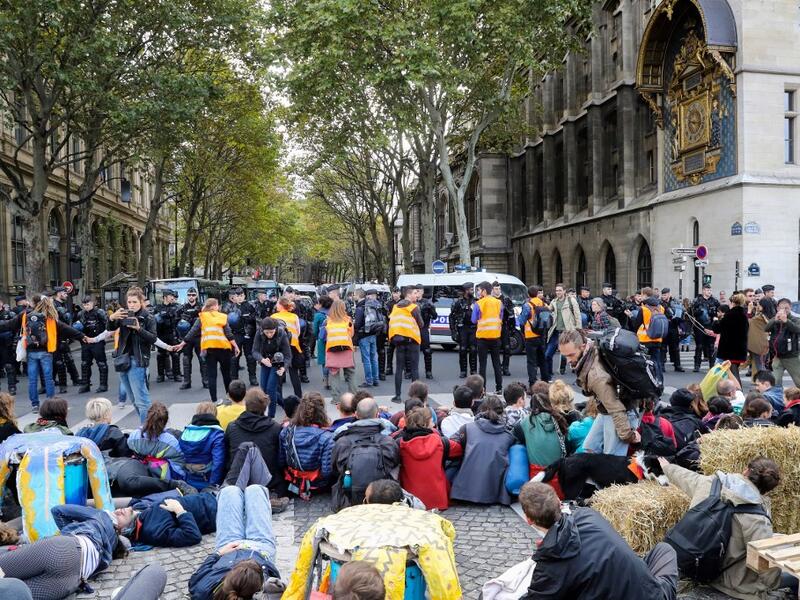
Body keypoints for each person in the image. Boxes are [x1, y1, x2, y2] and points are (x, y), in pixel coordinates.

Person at [517, 482, 679, 600]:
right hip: (651, 593)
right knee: (664, 549)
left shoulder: (550, 564)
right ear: (560, 503)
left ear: (529, 520)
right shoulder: (588, 515)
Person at [660, 457, 786, 599]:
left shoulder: (709, 483)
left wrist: (666, 467)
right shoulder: (758, 519)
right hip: (734, 587)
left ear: (746, 471)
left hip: (696, 566)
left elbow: (683, 476)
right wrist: (775, 583)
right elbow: (766, 566)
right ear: (766, 490)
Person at [0, 504, 127, 600]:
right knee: (11, 595)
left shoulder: (102, 516)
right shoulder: (109, 552)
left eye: (126, 513)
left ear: (122, 528)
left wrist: (67, 531)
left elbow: (58, 510)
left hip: (63, 549)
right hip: (71, 580)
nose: (120, 510)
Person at [188, 484, 281, 600]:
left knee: (229, 492)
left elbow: (195, 579)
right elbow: (274, 573)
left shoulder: (203, 592)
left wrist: (218, 554)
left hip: (229, 548)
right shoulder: (267, 592)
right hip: (260, 549)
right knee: (255, 490)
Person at [558, 329, 640, 456]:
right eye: (564, 356)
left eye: (570, 355)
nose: (568, 360)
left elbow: (616, 408)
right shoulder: (592, 350)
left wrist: (627, 435)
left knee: (612, 462)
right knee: (589, 449)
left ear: (583, 347)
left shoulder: (596, 376)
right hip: (606, 410)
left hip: (620, 414)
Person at [0, 295, 85, 411]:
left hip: (31, 351)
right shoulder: (49, 316)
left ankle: (35, 405)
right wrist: (82, 336)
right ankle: (50, 404)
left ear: (33, 303)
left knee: (33, 380)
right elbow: (65, 328)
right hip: (46, 351)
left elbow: (8, 325)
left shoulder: (25, 315)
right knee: (48, 378)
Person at [331, 396, 400, 511]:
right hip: (383, 499)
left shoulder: (342, 442)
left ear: (356, 415)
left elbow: (334, 470)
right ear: (378, 415)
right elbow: (394, 466)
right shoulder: (388, 443)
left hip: (349, 501)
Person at [450, 395, 515, 505]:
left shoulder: (467, 428)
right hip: (494, 493)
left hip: (464, 491)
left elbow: (449, 445)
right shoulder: (509, 435)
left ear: (481, 409)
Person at [106, 286, 157, 422]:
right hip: (122, 360)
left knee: (142, 400)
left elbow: (153, 338)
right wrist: (112, 318)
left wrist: (138, 328)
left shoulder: (148, 317)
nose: (132, 305)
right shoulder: (123, 314)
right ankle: (147, 426)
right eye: (129, 302)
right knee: (133, 400)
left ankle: (147, 430)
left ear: (141, 302)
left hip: (138, 360)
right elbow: (110, 328)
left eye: (134, 302)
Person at [177, 298, 240, 405]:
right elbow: (229, 334)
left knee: (212, 375)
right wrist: (236, 347)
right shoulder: (223, 317)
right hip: (224, 349)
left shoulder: (202, 317)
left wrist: (182, 343)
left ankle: (214, 400)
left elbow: (192, 331)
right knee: (226, 375)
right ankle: (230, 398)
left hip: (209, 350)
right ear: (215, 306)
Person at [225, 387, 282, 491]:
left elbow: (226, 457)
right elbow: (281, 460)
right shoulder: (276, 428)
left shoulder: (232, 427)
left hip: (240, 482)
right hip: (270, 484)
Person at [279, 391, 334, 497]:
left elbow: (281, 462)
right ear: (322, 411)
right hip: (317, 485)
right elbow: (327, 472)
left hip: (294, 483)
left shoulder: (286, 432)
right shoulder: (326, 437)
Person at [112, 492, 217, 548]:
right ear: (123, 531)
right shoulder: (153, 531)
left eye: (113, 512)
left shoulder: (137, 508)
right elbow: (192, 536)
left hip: (211, 495)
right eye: (115, 519)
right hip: (218, 510)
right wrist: (179, 511)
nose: (117, 512)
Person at [513, 393, 567, 480]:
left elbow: (512, 437)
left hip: (537, 477)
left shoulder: (526, 422)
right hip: (559, 475)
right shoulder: (559, 420)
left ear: (532, 408)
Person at [127, 402, 186, 482]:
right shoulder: (171, 442)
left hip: (143, 477)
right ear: (166, 421)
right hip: (166, 480)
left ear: (147, 417)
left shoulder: (134, 436)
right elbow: (180, 465)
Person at [179, 402, 226, 490]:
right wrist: (213, 485)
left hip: (189, 482)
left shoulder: (186, 432)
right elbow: (218, 462)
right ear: (214, 414)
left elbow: (180, 458)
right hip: (207, 482)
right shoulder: (216, 434)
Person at [252, 317, 292, 419]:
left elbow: (288, 355)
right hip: (266, 361)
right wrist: (262, 359)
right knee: (264, 389)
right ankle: (287, 407)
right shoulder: (259, 333)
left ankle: (271, 416)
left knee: (270, 388)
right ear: (262, 330)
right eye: (267, 332)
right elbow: (254, 351)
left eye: (271, 332)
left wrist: (284, 368)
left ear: (276, 329)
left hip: (278, 361)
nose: (269, 334)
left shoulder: (281, 334)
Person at [387, 291, 423, 403]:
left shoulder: (395, 307)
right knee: (414, 369)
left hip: (399, 341)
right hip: (412, 341)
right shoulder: (413, 307)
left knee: (399, 368)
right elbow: (421, 324)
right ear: (408, 295)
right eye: (415, 293)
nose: (417, 295)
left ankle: (397, 396)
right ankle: (415, 397)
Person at [707, 292, 749, 384]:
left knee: (733, 374)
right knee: (732, 372)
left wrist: (716, 321)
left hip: (729, 350)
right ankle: (732, 390)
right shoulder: (743, 316)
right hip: (739, 349)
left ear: (732, 303)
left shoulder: (729, 315)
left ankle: (738, 392)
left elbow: (717, 329)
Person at [321, 299, 357, 403]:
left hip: (332, 350)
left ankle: (336, 399)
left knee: (334, 374)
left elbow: (323, 335)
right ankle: (353, 397)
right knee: (351, 373)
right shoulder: (348, 319)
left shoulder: (328, 320)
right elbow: (351, 334)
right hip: (346, 348)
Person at [222, 287, 259, 387]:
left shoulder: (250, 306)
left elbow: (257, 318)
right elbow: (224, 323)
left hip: (249, 334)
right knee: (234, 358)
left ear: (244, 296)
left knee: (250, 357)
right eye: (237, 296)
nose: (239, 298)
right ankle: (234, 380)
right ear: (234, 297)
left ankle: (253, 377)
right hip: (235, 335)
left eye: (241, 295)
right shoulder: (229, 307)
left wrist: (248, 318)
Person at [472, 281, 504, 394]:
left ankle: (482, 390)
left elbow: (473, 320)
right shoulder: (499, 303)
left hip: (482, 338)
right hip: (495, 337)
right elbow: (501, 317)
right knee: (497, 364)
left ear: (484, 291)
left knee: (482, 365)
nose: (478, 292)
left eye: (479, 290)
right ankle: (499, 388)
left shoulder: (479, 303)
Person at [630, 287, 667, 382]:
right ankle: (660, 381)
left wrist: (631, 317)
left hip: (645, 339)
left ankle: (649, 382)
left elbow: (637, 324)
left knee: (645, 362)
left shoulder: (644, 309)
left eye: (642, 295)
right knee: (657, 361)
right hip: (658, 339)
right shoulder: (661, 307)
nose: (641, 297)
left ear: (645, 295)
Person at [272, 297, 304, 397]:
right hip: (293, 346)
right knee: (294, 373)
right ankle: (299, 396)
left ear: (281, 305)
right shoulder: (294, 317)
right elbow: (298, 332)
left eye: (277, 303)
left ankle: (278, 397)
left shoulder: (273, 317)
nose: (276, 305)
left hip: (279, 348)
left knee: (279, 372)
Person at [76, 296, 109, 393]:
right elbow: (76, 327)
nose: (86, 306)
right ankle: (85, 384)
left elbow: (107, 324)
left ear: (92, 303)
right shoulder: (80, 314)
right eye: (84, 305)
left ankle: (103, 385)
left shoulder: (100, 312)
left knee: (101, 364)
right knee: (85, 364)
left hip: (97, 341)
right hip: (86, 341)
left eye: (88, 304)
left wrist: (104, 336)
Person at [354, 288, 386, 387]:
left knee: (366, 359)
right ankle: (376, 379)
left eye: (354, 294)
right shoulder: (373, 305)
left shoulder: (360, 308)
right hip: (373, 334)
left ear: (359, 296)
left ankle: (369, 380)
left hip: (364, 335)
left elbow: (358, 324)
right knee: (374, 358)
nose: (353, 296)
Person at [177, 287, 207, 390]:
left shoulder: (202, 307)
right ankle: (186, 381)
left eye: (193, 295)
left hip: (199, 336)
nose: (191, 297)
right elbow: (176, 323)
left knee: (203, 359)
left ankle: (205, 380)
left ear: (197, 296)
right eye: (189, 295)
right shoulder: (182, 308)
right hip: (187, 337)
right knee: (186, 359)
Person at [52, 286, 81, 394]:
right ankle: (62, 385)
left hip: (63, 335)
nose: (66, 295)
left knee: (68, 359)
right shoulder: (54, 305)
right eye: (64, 293)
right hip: (56, 336)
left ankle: (75, 379)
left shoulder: (61, 304)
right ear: (59, 293)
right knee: (59, 362)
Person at [766, 297, 800, 387]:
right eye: (781, 308)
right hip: (778, 356)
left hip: (791, 356)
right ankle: (777, 398)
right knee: (775, 382)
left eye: (786, 308)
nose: (784, 310)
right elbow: (766, 328)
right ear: (777, 308)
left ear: (790, 308)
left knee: (798, 381)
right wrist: (774, 320)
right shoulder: (775, 319)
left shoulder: (795, 319)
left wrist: (786, 321)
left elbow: (797, 329)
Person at [518, 285, 547, 385]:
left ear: (528, 294)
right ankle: (545, 380)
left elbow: (521, 321)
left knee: (531, 361)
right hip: (541, 334)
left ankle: (533, 382)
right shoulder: (543, 303)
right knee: (542, 359)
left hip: (530, 336)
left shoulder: (527, 305)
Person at [153, 289, 182, 384]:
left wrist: (166, 315)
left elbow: (175, 317)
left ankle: (176, 374)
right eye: (170, 296)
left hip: (171, 333)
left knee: (175, 354)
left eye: (172, 296)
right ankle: (160, 375)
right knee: (161, 355)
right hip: (161, 334)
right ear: (165, 297)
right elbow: (155, 319)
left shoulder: (175, 307)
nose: (172, 297)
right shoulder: (158, 307)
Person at [450, 282, 477, 378]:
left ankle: (473, 370)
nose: (472, 291)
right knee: (462, 349)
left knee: (473, 350)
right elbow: (452, 317)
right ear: (466, 291)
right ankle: (463, 370)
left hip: (473, 328)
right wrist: (453, 331)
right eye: (471, 289)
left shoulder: (476, 301)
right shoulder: (459, 302)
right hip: (463, 328)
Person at [692, 283, 721, 372]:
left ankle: (712, 366)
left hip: (711, 326)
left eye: (710, 290)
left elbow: (719, 312)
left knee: (711, 346)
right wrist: (698, 312)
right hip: (700, 326)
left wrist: (715, 315)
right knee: (699, 346)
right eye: (707, 290)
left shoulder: (714, 301)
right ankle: (697, 365)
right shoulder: (697, 300)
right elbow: (691, 312)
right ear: (703, 290)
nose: (709, 292)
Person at [491, 281, 516, 377]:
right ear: (492, 290)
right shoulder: (490, 300)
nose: (497, 291)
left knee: (507, 348)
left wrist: (512, 328)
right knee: (496, 348)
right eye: (495, 289)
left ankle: (505, 367)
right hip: (494, 326)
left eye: (499, 289)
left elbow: (511, 314)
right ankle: (498, 367)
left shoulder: (505, 299)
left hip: (504, 325)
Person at [415, 284, 438, 380]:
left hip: (423, 329)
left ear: (423, 292)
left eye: (419, 291)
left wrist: (431, 309)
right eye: (416, 291)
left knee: (427, 351)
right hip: (413, 329)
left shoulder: (427, 303)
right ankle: (410, 371)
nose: (417, 293)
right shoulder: (411, 302)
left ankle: (428, 371)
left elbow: (435, 316)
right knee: (412, 351)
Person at [661, 288, 685, 372]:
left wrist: (680, 324)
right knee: (663, 347)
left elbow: (682, 312)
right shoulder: (660, 303)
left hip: (673, 326)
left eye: (665, 294)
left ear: (669, 294)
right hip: (664, 326)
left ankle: (677, 365)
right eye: (663, 295)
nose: (664, 296)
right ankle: (662, 365)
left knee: (675, 347)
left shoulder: (675, 302)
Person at [313, 295, 333, 388]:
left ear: (321, 304)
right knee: (332, 358)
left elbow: (315, 330)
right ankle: (333, 378)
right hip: (334, 338)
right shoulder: (333, 313)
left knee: (324, 360)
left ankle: (326, 380)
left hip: (322, 339)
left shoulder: (318, 315)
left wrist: (317, 337)